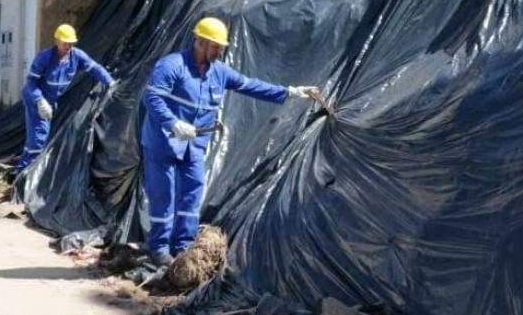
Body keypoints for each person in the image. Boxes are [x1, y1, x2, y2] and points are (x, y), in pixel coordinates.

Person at [139, 16, 324, 265]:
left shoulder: (219, 72)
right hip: (163, 142)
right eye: (214, 46)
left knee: (192, 194)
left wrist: (289, 92)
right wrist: (173, 123)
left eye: (221, 47)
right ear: (199, 42)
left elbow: (250, 85)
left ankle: (182, 247)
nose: (219, 51)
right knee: (164, 195)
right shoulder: (171, 66)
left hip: (194, 145)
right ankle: (159, 248)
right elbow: (153, 99)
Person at [17, 23, 114, 172]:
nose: (68, 46)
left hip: (52, 99)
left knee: (43, 135)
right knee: (38, 137)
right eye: (65, 43)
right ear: (57, 42)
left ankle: (29, 167)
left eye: (70, 43)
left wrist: (109, 82)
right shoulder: (45, 57)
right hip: (36, 99)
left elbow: (95, 68)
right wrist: (40, 101)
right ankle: (25, 172)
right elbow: (31, 82)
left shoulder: (76, 56)